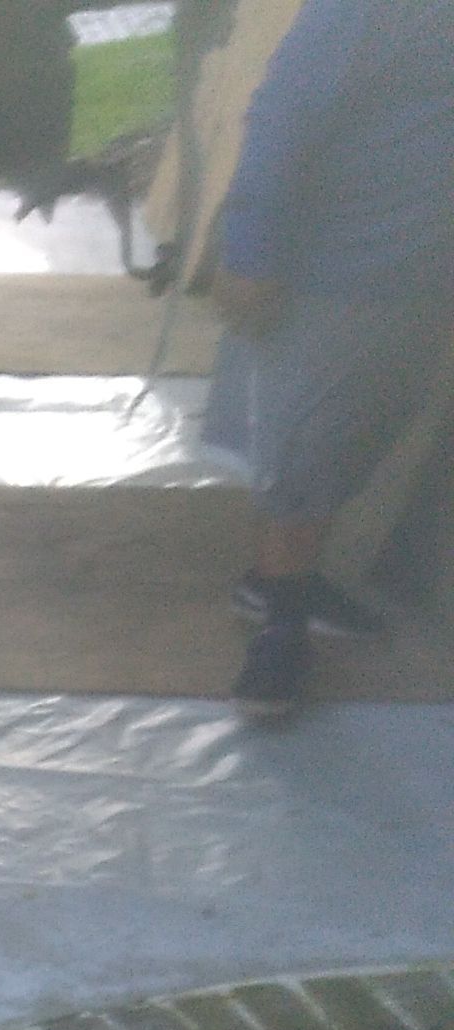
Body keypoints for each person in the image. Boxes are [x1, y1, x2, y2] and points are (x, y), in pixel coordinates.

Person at [199, 0, 454, 716]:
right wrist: (250, 251)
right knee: (306, 451)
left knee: (360, 434)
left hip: (419, 271)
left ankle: (280, 584)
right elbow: (284, 111)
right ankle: (278, 631)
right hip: (340, 268)